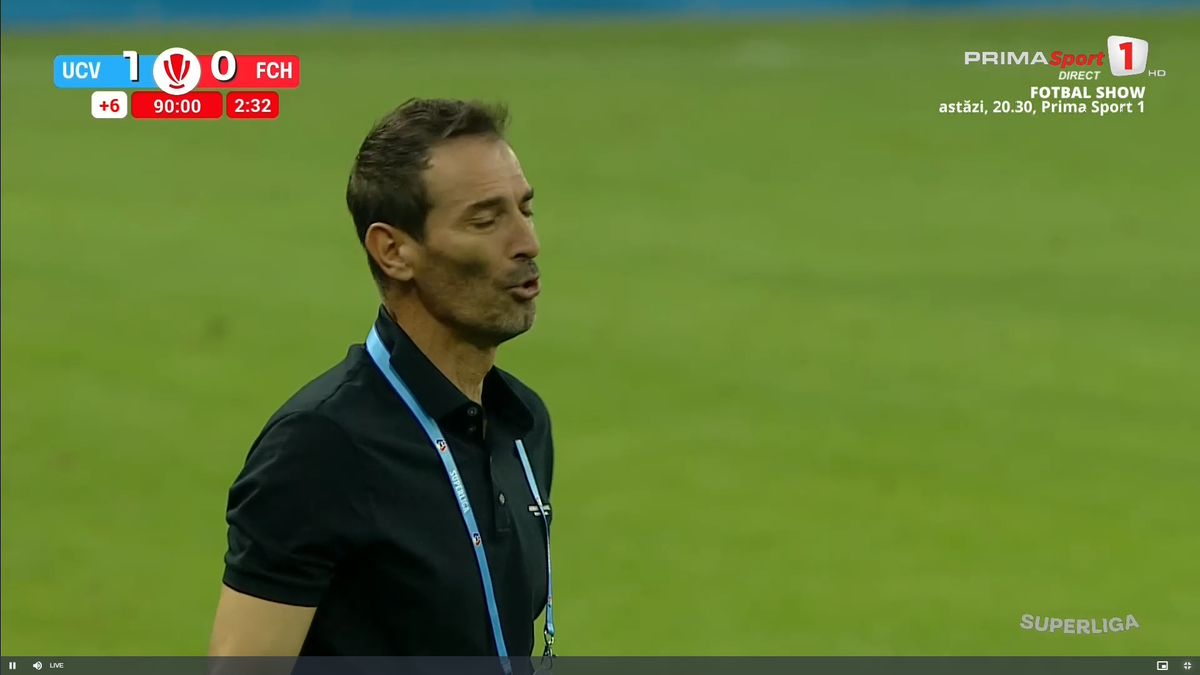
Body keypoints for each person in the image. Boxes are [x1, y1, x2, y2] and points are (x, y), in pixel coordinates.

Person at [207, 98, 556, 664]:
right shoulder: (321, 447)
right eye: (485, 220)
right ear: (393, 252)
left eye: (525, 209)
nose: (527, 243)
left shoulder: (521, 425)